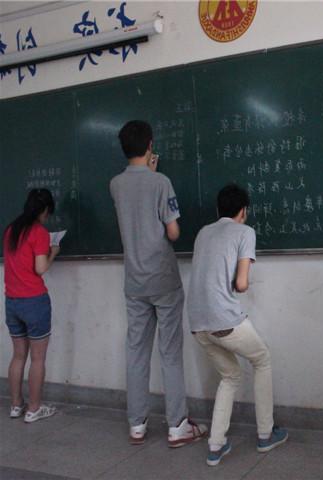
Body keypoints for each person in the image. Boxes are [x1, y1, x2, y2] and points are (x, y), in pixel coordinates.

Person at [110, 120, 207, 447]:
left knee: (136, 351)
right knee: (170, 352)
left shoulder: (115, 184)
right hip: (163, 279)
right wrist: (154, 176)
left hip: (134, 281)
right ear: (150, 145)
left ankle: (136, 424)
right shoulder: (161, 182)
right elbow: (174, 232)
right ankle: (177, 425)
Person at [187, 184, 287, 467]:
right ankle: (266, 434)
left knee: (230, 376)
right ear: (243, 211)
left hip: (197, 323)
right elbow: (242, 284)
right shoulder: (245, 232)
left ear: (218, 209)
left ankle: (216, 445)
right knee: (262, 359)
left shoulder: (203, 232)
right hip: (224, 320)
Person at [3, 189, 59, 423]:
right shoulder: (39, 233)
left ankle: (16, 405)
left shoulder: (11, 230)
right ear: (44, 210)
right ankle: (34, 409)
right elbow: (40, 268)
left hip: (12, 301)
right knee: (37, 358)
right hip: (34, 301)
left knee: (18, 356)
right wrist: (53, 252)